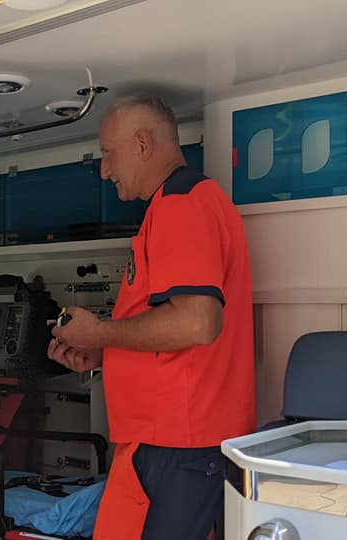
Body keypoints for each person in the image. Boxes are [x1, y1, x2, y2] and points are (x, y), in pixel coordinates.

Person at [48, 94, 255, 540]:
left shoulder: (182, 203)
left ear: (142, 144)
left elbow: (197, 322)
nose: (104, 170)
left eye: (108, 153)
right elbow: (173, 331)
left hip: (179, 444)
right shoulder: (174, 206)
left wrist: (99, 332)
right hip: (170, 441)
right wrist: (104, 352)